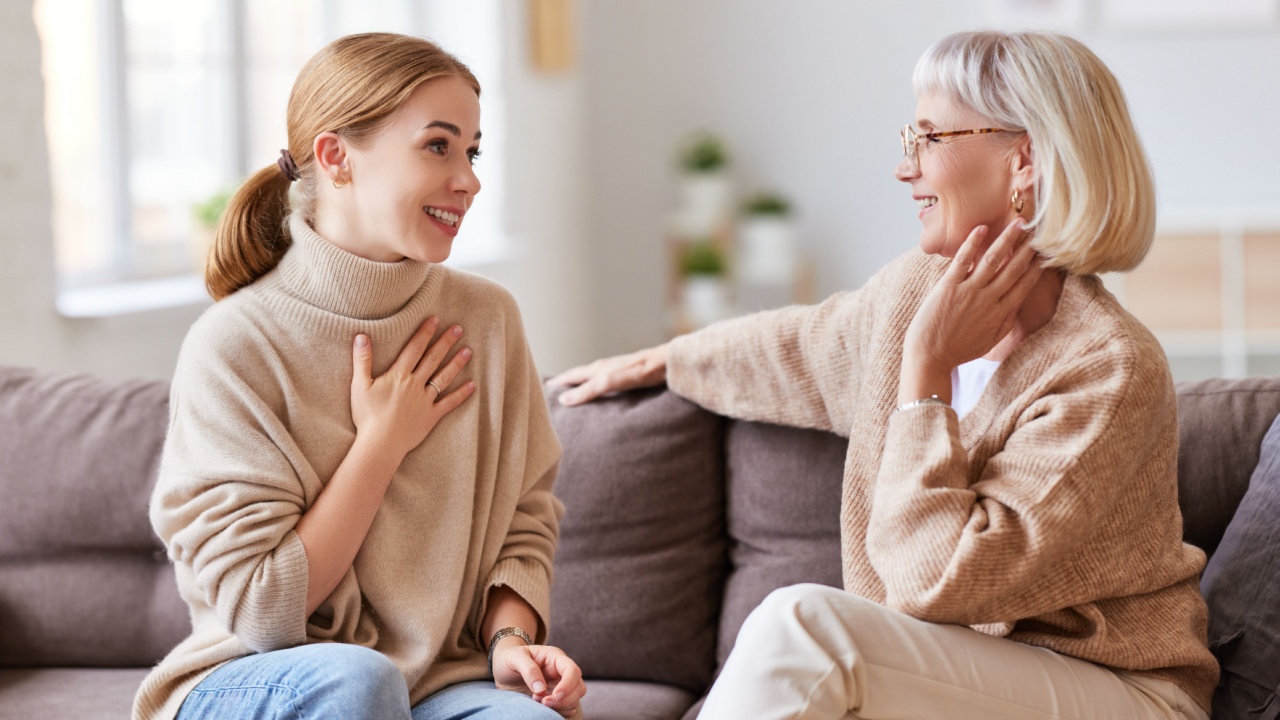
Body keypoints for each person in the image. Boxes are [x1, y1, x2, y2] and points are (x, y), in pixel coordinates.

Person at [550, 30, 1215, 720]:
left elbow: (941, 580)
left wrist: (926, 373)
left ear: (1024, 160)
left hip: (1121, 692)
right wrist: (670, 359)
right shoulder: (910, 295)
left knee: (805, 626)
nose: (906, 169)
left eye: (929, 138)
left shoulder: (1109, 369)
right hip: (954, 683)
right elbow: (803, 349)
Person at [133, 33, 584, 720]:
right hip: (251, 675)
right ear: (336, 156)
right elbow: (263, 611)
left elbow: (524, 516)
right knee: (359, 683)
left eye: (472, 150)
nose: (468, 178)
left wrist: (510, 638)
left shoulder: (487, 320)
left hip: (437, 685)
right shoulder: (234, 346)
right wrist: (381, 442)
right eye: (438, 145)